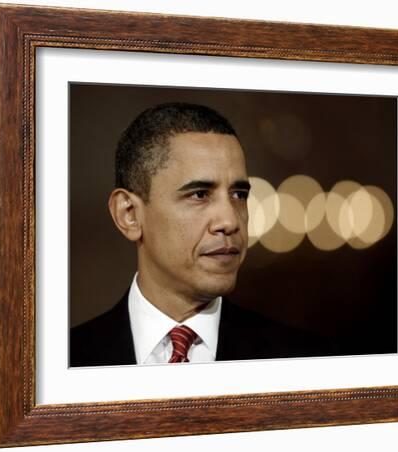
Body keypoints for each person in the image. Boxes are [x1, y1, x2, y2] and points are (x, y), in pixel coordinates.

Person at [70, 102, 334, 367]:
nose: (230, 221)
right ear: (129, 214)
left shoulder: (307, 361)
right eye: (199, 195)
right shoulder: (59, 364)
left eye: (238, 195)